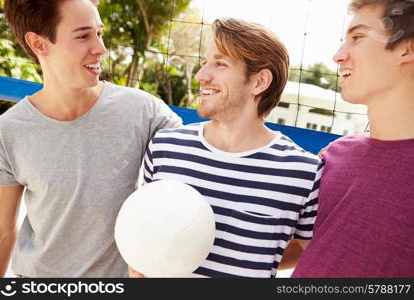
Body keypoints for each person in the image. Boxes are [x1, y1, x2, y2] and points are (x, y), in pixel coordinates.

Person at [0, 0, 182, 278]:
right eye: (83, 35)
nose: (100, 48)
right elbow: (2, 231)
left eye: (100, 33)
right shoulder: (8, 131)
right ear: (39, 44)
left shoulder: (145, 112)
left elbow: (206, 160)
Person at [129, 18, 324, 278]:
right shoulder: (166, 148)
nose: (201, 76)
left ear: (259, 82)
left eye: (220, 64)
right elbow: (145, 245)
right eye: (204, 63)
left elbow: (311, 251)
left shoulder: (304, 172)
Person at [292, 0, 414, 277]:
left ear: (407, 48)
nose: (338, 55)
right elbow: (310, 248)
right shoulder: (335, 155)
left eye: (357, 38)